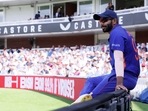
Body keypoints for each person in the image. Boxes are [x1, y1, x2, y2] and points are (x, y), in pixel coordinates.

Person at [72, 10, 140, 104]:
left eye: (104, 20)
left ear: (114, 21)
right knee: (91, 81)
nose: (101, 23)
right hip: (124, 75)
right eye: (100, 21)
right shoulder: (121, 31)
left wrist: (119, 83)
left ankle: (79, 107)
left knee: (92, 100)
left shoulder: (116, 33)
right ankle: (78, 105)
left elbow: (119, 58)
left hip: (125, 77)